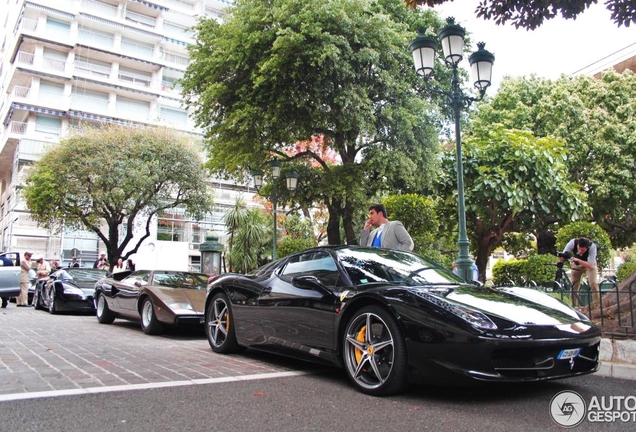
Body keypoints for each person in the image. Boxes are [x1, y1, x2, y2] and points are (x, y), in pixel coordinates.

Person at [559, 237, 600, 306]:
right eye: (579, 249)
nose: (580, 251)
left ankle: (597, 305)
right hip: (576, 265)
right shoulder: (572, 242)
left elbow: (590, 265)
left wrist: (578, 260)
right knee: (574, 285)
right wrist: (563, 257)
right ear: (577, 245)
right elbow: (564, 253)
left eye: (583, 250)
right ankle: (573, 305)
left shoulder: (592, 247)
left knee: (593, 284)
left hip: (589, 264)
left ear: (587, 248)